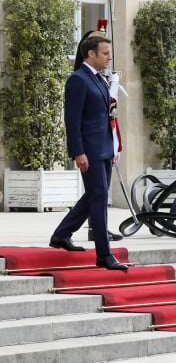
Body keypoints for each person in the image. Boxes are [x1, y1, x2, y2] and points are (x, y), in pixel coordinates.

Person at [49, 32, 128, 271]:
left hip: (104, 148)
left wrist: (113, 146)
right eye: (105, 53)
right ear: (90, 54)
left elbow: (107, 116)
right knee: (99, 197)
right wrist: (78, 152)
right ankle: (104, 254)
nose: (109, 57)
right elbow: (72, 121)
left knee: (94, 195)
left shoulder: (99, 78)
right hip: (90, 150)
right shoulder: (78, 79)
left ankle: (62, 234)